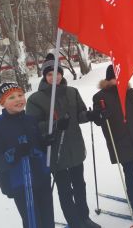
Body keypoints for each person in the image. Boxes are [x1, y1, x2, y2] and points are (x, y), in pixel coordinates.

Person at [26, 54, 100, 228]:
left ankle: (84, 217)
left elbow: (80, 115)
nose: (55, 77)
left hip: (75, 148)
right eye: (50, 74)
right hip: (55, 152)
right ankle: (74, 222)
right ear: (44, 76)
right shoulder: (36, 99)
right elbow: (34, 127)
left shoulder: (72, 92)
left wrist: (89, 115)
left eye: (57, 73)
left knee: (80, 185)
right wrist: (55, 124)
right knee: (65, 189)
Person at [92, 65, 133, 224]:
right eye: (114, 77)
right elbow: (97, 119)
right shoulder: (100, 96)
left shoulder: (129, 92)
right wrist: (100, 114)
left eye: (120, 77)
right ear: (108, 79)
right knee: (129, 172)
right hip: (119, 140)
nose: (118, 80)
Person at [0, 83, 55, 228]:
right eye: (11, 97)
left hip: (41, 178)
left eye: (20, 95)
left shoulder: (30, 120)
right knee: (33, 222)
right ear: (2, 102)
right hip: (20, 183)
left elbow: (36, 146)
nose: (18, 99)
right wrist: (14, 154)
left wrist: (45, 143)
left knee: (48, 219)